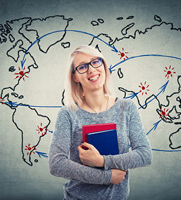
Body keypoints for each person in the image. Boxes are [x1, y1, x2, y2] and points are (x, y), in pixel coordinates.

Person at [49, 45, 152, 200]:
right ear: (75, 77)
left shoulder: (127, 108)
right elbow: (56, 164)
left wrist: (102, 161)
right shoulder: (68, 113)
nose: (91, 70)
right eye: (82, 67)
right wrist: (107, 177)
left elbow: (144, 155)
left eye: (95, 62)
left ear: (103, 65)